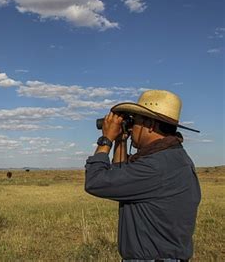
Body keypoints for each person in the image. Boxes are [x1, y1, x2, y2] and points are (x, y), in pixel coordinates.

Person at [85, 90, 201, 261]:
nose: (131, 128)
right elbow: (121, 182)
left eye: (135, 122)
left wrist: (106, 139)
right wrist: (121, 141)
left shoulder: (156, 166)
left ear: (150, 125)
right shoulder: (172, 159)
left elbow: (95, 182)